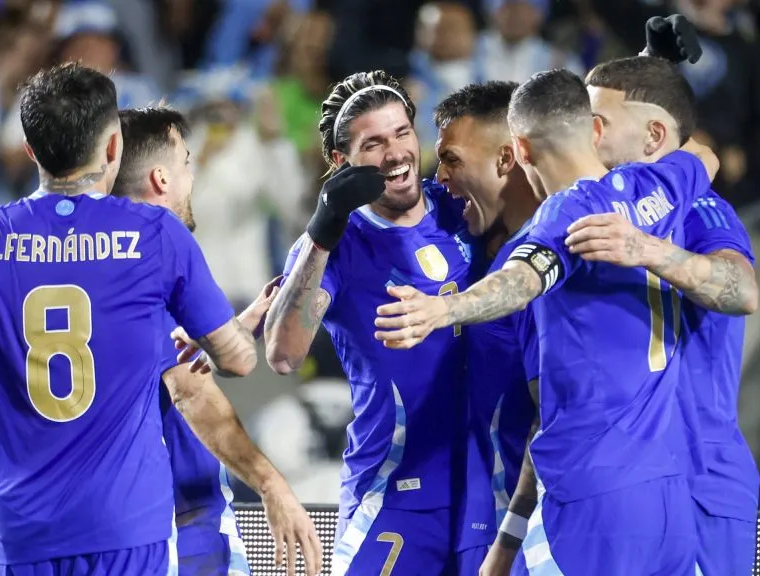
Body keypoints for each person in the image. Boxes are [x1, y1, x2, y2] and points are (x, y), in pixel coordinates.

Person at [0, 63, 257, 576]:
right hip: (126, 529)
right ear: (114, 146)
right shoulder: (157, 233)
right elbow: (235, 360)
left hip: (19, 535)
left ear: (30, 151)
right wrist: (240, 326)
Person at [373, 69, 719, 576]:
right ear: (594, 131)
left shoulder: (565, 214)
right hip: (667, 496)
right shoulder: (659, 183)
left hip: (591, 500)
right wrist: (655, 66)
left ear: (521, 150)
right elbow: (703, 157)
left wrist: (444, 309)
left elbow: (524, 276)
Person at [264, 70, 477, 576]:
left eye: (403, 133)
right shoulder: (335, 243)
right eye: (373, 144)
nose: (396, 153)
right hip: (394, 493)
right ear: (342, 163)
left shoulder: (462, 207)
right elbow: (283, 353)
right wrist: (323, 228)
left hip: (483, 488)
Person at [114, 106, 321, 576]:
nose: (195, 174)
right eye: (188, 162)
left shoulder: (97, 267)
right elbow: (188, 387)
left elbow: (159, 357)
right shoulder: (160, 253)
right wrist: (271, 484)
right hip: (178, 528)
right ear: (162, 179)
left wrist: (233, 327)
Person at [579, 55, 760, 575]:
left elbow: (741, 289)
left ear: (654, 135)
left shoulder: (703, 208)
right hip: (617, 486)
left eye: (599, 122)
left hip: (695, 480)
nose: (584, 134)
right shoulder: (595, 212)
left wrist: (648, 250)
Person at [429, 81, 541, 576]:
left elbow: (555, 420)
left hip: (528, 541)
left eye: (452, 160)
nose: (441, 178)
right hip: (470, 525)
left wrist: (509, 542)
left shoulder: (552, 265)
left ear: (505, 160)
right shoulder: (472, 242)